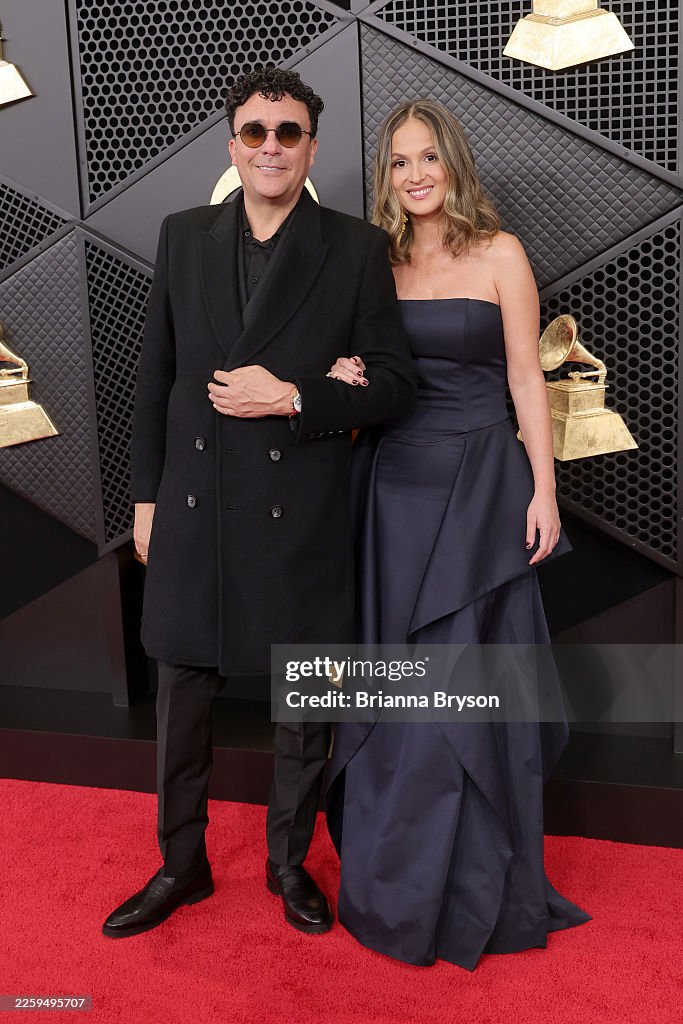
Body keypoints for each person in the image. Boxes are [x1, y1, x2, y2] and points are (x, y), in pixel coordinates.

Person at [102, 68, 416, 939]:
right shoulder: (183, 234)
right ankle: (180, 864)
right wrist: (144, 496)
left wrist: (292, 397)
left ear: (311, 146)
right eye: (254, 132)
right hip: (195, 503)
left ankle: (288, 866)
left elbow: (394, 384)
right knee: (181, 694)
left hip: (297, 509)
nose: (270, 146)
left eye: (287, 133)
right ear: (231, 144)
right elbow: (156, 379)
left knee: (303, 699)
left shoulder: (352, 247)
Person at [324, 99, 590, 970]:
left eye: (428, 156)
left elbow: (524, 377)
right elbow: (360, 372)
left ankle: (482, 881)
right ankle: (394, 883)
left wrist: (544, 491)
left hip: (481, 485)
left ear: (453, 163)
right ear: (386, 174)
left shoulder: (501, 252)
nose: (415, 174)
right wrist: (343, 373)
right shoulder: (372, 258)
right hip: (391, 488)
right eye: (399, 160)